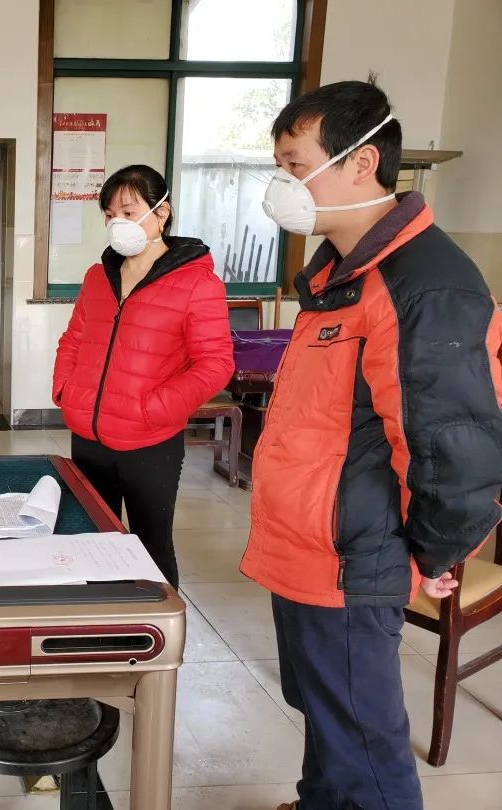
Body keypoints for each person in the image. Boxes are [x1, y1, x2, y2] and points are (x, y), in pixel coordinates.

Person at [240, 80, 502, 810]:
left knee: (365, 737)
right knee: (325, 712)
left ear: (362, 163)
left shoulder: (423, 284)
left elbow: (455, 450)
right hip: (307, 544)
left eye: (295, 165)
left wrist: (434, 551)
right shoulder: (335, 276)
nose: (282, 185)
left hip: (356, 558)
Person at [52, 165, 234, 587]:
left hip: (149, 442)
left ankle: (158, 635)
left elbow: (216, 363)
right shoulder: (99, 276)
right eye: (110, 213)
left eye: (129, 211)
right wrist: (66, 389)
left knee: (150, 546)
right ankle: (102, 633)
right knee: (95, 539)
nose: (118, 222)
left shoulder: (196, 282)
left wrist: (154, 409)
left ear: (162, 212)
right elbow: (74, 338)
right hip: (90, 436)